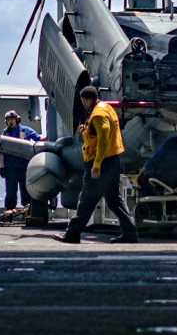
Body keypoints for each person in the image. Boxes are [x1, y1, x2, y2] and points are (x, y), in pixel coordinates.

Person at [59, 86, 138, 244]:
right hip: (114, 160)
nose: (83, 104)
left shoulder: (97, 114)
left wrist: (96, 165)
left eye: (83, 101)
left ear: (87, 99)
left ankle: (72, 234)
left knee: (87, 199)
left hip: (100, 163)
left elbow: (103, 138)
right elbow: (96, 134)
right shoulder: (106, 108)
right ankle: (130, 233)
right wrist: (85, 131)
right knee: (114, 200)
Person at [0, 109, 40, 211]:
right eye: (8, 119)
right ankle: (9, 213)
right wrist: (2, 167)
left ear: (17, 120)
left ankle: (28, 213)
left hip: (24, 168)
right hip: (10, 169)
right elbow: (1, 152)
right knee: (10, 194)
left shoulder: (26, 130)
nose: (10, 121)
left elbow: (38, 139)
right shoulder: (4, 134)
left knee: (26, 193)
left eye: (12, 119)